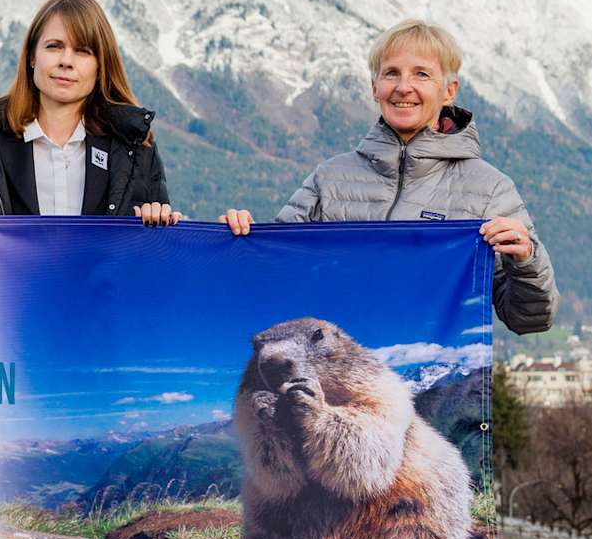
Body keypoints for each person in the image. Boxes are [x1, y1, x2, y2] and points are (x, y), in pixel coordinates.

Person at [219, 19, 557, 335]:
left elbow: (529, 319)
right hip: (337, 377)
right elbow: (272, 274)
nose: (403, 87)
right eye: (391, 73)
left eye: (422, 74)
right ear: (374, 87)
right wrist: (237, 241)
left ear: (449, 90)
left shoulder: (489, 189)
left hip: (436, 388)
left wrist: (525, 260)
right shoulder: (330, 179)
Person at [0, 0, 179, 228]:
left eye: (83, 51)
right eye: (54, 46)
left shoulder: (135, 149)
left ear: (100, 66)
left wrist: (159, 221)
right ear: (32, 56)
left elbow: (155, 257)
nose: (66, 61)